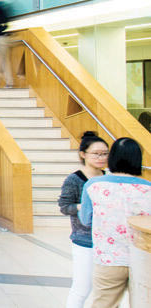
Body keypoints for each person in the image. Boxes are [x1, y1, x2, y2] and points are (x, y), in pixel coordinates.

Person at [79, 137, 151, 308]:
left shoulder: (93, 185)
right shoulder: (148, 188)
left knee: (103, 304)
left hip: (108, 257)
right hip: (144, 258)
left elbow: (85, 220)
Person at [58, 132, 108, 308]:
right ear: (83, 154)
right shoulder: (74, 179)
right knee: (81, 288)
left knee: (105, 290)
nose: (101, 158)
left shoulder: (108, 177)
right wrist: (84, 206)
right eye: (96, 154)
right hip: (84, 240)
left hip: (109, 241)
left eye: (105, 154)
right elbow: (65, 207)